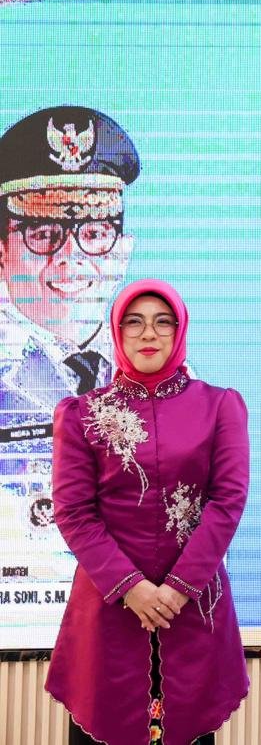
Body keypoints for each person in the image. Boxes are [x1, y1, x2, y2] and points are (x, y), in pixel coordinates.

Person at [45, 279, 250, 744]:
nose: (149, 334)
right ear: (117, 332)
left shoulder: (219, 406)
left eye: (163, 322)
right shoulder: (82, 414)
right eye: (134, 322)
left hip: (192, 608)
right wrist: (131, 587)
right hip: (108, 608)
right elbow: (73, 511)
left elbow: (227, 501)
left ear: (180, 330)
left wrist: (178, 589)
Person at [0, 106, 136, 590]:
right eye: (43, 235)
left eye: (95, 234)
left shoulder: (166, 378)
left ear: (124, 250)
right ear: (2, 253)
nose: (71, 258)